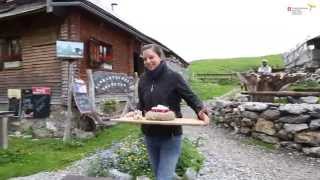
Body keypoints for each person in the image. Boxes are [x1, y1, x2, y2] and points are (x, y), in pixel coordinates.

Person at [137, 44, 209, 180]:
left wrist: (200, 110)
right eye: (144, 59)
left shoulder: (174, 77)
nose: (147, 61)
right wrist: (135, 112)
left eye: (151, 57)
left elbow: (190, 96)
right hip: (149, 135)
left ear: (160, 57)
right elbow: (141, 104)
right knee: (159, 174)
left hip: (170, 136)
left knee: (163, 177)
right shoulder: (143, 80)